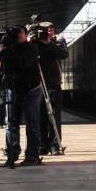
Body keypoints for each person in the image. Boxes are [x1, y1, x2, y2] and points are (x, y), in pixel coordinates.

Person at [0, 27, 43, 168]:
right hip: (13, 89)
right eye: (15, 34)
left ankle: (32, 156)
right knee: (11, 123)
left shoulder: (31, 48)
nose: (18, 35)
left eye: (20, 33)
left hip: (31, 89)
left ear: (26, 35)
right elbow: (1, 58)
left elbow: (23, 63)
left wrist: (9, 50)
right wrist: (6, 47)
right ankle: (12, 153)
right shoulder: (8, 49)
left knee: (32, 123)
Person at [35, 25, 68, 154]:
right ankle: (43, 145)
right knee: (41, 116)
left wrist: (49, 43)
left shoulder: (57, 43)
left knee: (54, 116)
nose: (48, 33)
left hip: (53, 84)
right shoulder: (34, 45)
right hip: (38, 85)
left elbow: (64, 54)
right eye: (45, 31)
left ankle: (55, 145)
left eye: (50, 30)